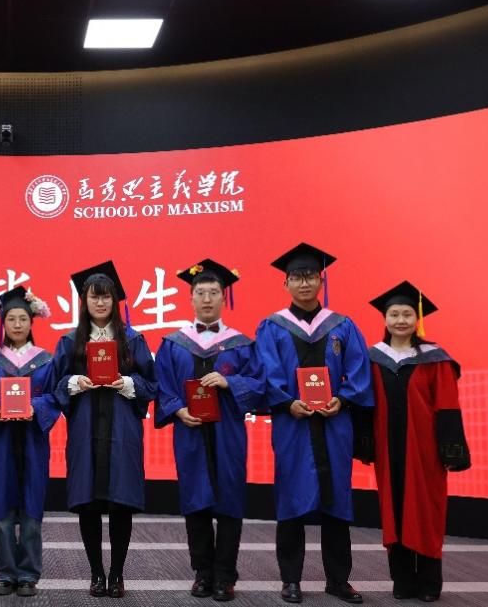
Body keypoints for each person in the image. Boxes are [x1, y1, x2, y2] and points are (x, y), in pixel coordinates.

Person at [253, 243, 374, 604]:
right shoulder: (272, 327)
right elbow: (266, 372)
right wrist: (287, 402)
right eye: (296, 277)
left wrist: (344, 399)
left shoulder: (342, 326)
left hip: (335, 425)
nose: (304, 283)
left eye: (309, 276)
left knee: (337, 502)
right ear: (286, 283)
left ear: (321, 281)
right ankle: (291, 579)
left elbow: (358, 370)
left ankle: (338, 580)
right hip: (293, 425)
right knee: (291, 500)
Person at [154, 259, 265, 602]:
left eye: (213, 292)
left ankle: (225, 576)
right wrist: (177, 409)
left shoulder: (241, 344)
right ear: (190, 298)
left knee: (230, 501)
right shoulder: (174, 344)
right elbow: (163, 385)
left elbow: (260, 384)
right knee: (195, 500)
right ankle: (203, 573)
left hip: (228, 433)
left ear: (223, 298)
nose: (206, 299)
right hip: (190, 431)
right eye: (200, 293)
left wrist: (230, 382)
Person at [51, 261, 156, 599]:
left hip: (122, 430)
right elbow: (54, 385)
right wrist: (74, 382)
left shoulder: (132, 341)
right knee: (89, 504)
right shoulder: (70, 342)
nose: (100, 303)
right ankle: (97, 573)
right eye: (94, 297)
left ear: (115, 300)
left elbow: (151, 385)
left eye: (106, 296)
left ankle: (117, 574)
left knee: (121, 504)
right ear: (84, 301)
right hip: (85, 430)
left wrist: (126, 383)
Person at [366, 281, 470, 602]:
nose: (401, 320)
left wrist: (450, 450)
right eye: (394, 314)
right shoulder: (372, 358)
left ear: (417, 319)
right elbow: (364, 404)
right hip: (388, 450)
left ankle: (428, 582)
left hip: (425, 452)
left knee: (425, 511)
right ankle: (402, 581)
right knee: (394, 511)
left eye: (407, 314)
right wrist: (364, 444)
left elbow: (448, 405)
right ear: (385, 318)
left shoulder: (435, 359)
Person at [0, 286, 58, 598]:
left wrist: (36, 408)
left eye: (23, 318)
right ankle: (6, 573)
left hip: (33, 439)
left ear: (32, 322)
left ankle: (29, 574)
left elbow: (55, 395)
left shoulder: (46, 361)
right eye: (11, 319)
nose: (17, 324)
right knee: (3, 506)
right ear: (3, 322)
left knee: (32, 507)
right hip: (2, 440)